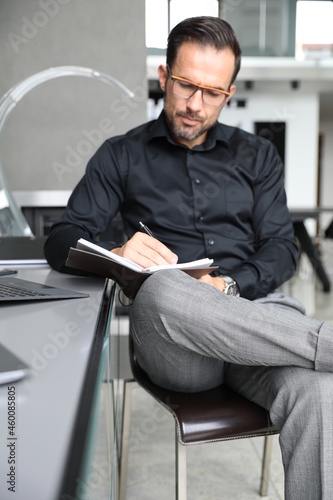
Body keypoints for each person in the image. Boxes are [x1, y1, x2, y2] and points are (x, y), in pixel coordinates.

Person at [44, 16, 333, 499]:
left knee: (321, 393)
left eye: (213, 93)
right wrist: (117, 252)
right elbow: (61, 239)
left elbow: (283, 250)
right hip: (180, 350)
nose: (196, 105)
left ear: (230, 92)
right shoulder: (121, 155)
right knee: (160, 286)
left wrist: (225, 287)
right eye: (185, 86)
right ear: (164, 77)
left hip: (257, 327)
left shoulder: (258, 156)